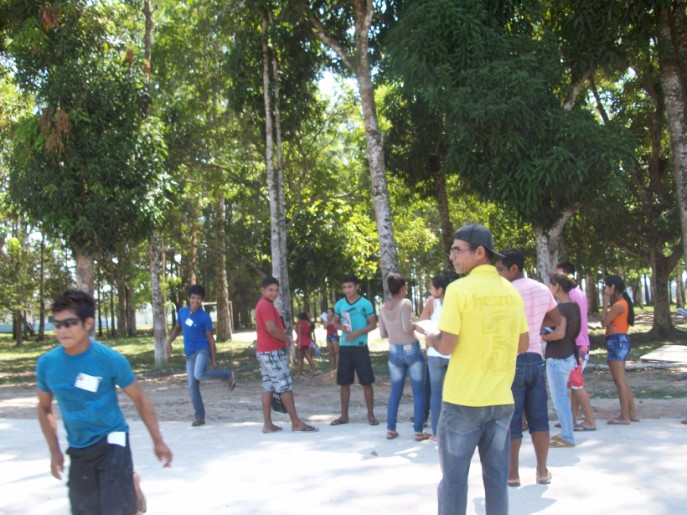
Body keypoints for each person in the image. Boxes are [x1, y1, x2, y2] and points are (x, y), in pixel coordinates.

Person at [36, 289, 172, 515]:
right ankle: (132, 486)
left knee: (116, 509)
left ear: (88, 323)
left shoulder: (109, 359)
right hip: (79, 447)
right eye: (57, 324)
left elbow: (140, 399)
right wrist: (54, 451)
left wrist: (158, 441)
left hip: (113, 439)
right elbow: (43, 407)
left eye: (69, 323)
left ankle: (127, 491)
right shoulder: (47, 364)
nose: (62, 330)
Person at [426, 223, 528, 515]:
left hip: (463, 401)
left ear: (480, 252)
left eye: (458, 250)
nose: (452, 257)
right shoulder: (511, 292)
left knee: (454, 481)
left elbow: (446, 346)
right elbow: (523, 345)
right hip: (500, 402)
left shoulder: (458, 290)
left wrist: (430, 336)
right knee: (496, 480)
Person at [496, 249, 560, 486]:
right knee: (539, 419)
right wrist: (535, 323)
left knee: (512, 421)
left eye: (501, 269)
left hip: (512, 359)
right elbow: (556, 319)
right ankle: (542, 471)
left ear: (513, 269)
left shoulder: (506, 292)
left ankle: (512, 474)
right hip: (536, 358)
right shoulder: (542, 289)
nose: (499, 274)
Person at [167, 284, 236, 427]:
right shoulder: (182, 312)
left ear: (202, 300)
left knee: (199, 374)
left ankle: (227, 375)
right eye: (193, 298)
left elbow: (210, 338)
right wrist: (169, 342)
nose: (195, 301)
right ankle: (200, 417)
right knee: (192, 386)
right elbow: (177, 328)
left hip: (203, 350)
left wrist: (214, 359)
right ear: (189, 298)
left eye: (198, 299)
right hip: (190, 354)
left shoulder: (204, 317)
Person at [255, 276, 318, 433]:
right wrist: (286, 339)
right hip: (272, 352)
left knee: (268, 386)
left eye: (276, 290)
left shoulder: (265, 304)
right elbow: (271, 328)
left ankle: (267, 424)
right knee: (285, 386)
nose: (274, 293)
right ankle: (295, 422)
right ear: (263, 290)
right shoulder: (265, 306)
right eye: (270, 290)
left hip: (264, 351)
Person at [378, 272, 430, 441]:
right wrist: (418, 326)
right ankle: (418, 430)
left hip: (394, 351)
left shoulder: (382, 308)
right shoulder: (405, 303)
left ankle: (390, 428)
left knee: (395, 392)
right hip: (411, 350)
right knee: (418, 392)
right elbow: (407, 328)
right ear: (402, 288)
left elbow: (382, 333)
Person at [331, 274, 379, 426]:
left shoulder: (365, 303)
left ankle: (371, 415)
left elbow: (373, 324)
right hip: (345, 347)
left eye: (350, 287)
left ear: (357, 286)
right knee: (344, 382)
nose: (347, 290)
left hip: (360, 347)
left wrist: (359, 332)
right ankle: (344, 416)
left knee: (366, 382)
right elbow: (335, 322)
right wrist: (340, 328)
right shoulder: (340, 304)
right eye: (344, 287)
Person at [555, 261, 596, 431]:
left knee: (576, 384)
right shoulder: (576, 292)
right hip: (579, 343)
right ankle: (571, 419)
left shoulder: (571, 295)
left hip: (577, 344)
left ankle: (590, 421)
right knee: (573, 384)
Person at [542, 273, 581, 448]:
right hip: (569, 354)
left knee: (560, 400)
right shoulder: (575, 306)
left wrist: (544, 337)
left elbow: (560, 333)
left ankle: (567, 436)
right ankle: (567, 433)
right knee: (562, 398)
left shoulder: (562, 309)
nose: (550, 289)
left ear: (557, 286)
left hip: (557, 357)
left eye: (551, 286)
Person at [419, 274, 457, 441]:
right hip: (452, 353)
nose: (429, 290)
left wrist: (430, 335)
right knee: (454, 393)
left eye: (431, 287)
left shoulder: (431, 304)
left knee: (436, 394)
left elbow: (421, 324)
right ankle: (453, 431)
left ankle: (435, 432)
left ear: (439, 290)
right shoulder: (455, 302)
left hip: (434, 353)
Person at [601, 274, 638, 425]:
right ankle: (631, 413)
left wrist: (605, 304)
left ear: (613, 287)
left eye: (606, 287)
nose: (605, 290)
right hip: (620, 340)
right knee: (622, 380)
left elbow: (604, 322)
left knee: (620, 381)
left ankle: (624, 416)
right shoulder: (623, 303)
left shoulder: (618, 305)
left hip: (617, 341)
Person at [294, 312, 319, 378]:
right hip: (306, 341)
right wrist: (312, 341)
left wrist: (299, 345)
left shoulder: (299, 325)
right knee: (308, 357)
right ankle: (314, 370)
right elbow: (309, 334)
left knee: (300, 359)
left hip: (301, 341)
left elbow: (299, 335)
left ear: (300, 318)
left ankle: (299, 373)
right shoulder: (306, 324)